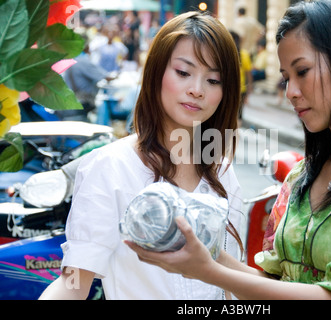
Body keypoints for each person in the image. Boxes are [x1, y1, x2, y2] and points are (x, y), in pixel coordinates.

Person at [126, 0, 331, 300]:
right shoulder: (303, 173)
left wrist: (210, 271)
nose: (291, 92)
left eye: (302, 72)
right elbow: (274, 284)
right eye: (286, 78)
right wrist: (203, 250)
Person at [39, 11, 243, 300]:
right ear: (156, 72)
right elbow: (73, 284)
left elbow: (235, 284)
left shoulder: (222, 172)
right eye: (183, 73)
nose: (197, 90)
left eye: (213, 80)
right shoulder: (109, 167)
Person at [61, 36, 113, 121]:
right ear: (86, 47)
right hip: (80, 105)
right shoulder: (83, 61)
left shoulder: (70, 59)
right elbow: (105, 76)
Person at [230, 31, 252, 120]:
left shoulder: (224, 53)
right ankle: (236, 133)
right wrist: (249, 87)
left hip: (227, 89)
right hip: (241, 88)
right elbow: (248, 74)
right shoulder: (244, 54)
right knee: (239, 114)